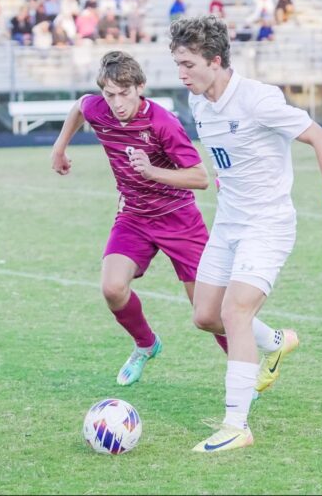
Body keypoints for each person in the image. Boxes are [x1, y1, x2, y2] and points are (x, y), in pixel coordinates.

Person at [169, 15, 322, 453]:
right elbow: (225, 161)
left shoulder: (259, 100)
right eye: (177, 64)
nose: (181, 74)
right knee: (204, 316)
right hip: (228, 224)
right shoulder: (198, 103)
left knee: (236, 313)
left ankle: (236, 425)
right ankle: (275, 343)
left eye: (188, 64)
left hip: (268, 225)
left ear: (215, 61)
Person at [51, 50, 231, 386]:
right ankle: (146, 344)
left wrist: (151, 171)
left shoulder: (162, 122)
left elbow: (199, 178)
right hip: (134, 216)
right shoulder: (99, 108)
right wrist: (60, 147)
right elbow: (79, 106)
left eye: (125, 93)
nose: (117, 103)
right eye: (110, 94)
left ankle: (242, 375)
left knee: (207, 312)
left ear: (140, 87)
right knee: (112, 288)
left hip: (180, 220)